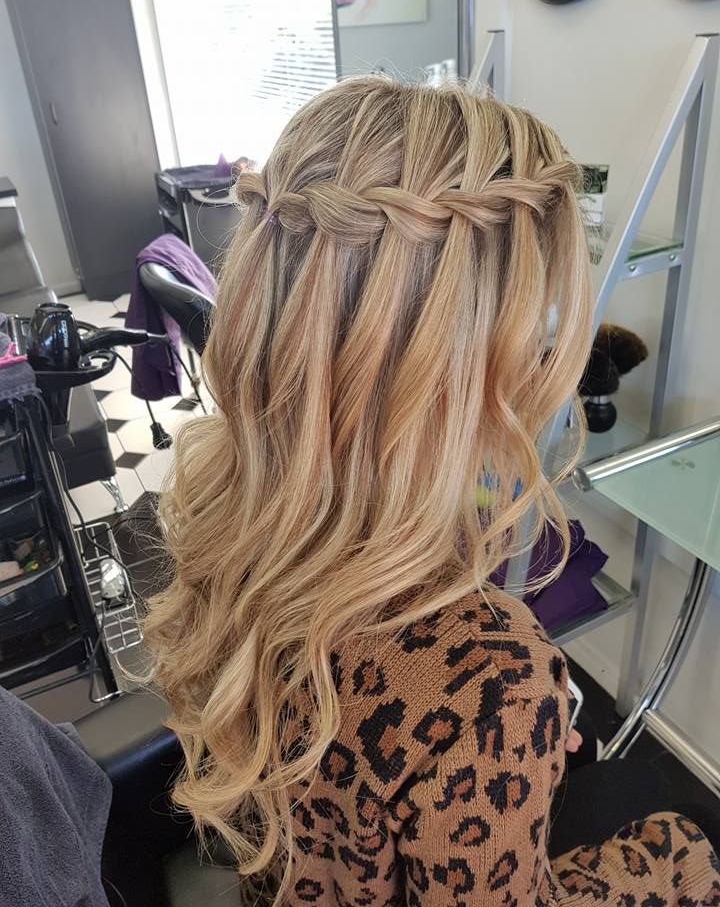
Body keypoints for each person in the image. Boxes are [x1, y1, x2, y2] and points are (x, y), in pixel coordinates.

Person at [146, 77, 720, 906]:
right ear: (464, 365)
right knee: (685, 843)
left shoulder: (216, 506)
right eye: (534, 324)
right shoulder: (491, 682)